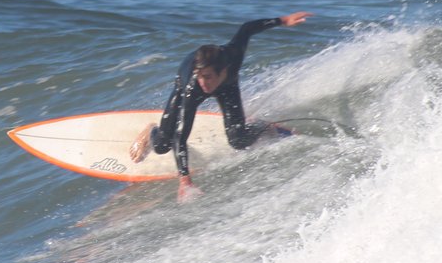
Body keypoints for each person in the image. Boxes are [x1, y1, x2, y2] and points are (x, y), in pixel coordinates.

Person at [129, 11, 312, 201]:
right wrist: (185, 180)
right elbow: (180, 136)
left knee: (238, 140)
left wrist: (282, 20)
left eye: (207, 77)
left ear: (222, 71)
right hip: (182, 85)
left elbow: (246, 29)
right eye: (200, 77)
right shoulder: (194, 88)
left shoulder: (233, 54)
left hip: (227, 86)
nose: (203, 83)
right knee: (162, 145)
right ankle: (152, 131)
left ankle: (264, 126)